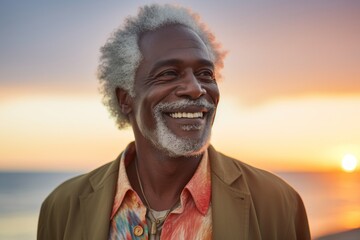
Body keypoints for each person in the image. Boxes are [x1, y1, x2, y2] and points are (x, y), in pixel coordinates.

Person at [37, 4, 311, 240]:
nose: (195, 89)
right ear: (125, 99)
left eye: (205, 73)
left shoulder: (277, 204)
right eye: (169, 73)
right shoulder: (63, 207)